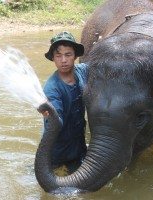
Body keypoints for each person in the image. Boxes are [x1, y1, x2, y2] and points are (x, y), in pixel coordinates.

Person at [39, 31, 88, 173]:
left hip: (78, 145)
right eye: (58, 55)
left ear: (76, 56)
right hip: (57, 150)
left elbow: (96, 68)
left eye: (68, 54)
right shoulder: (52, 88)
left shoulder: (81, 71)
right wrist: (50, 114)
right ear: (53, 58)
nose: (63, 60)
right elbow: (56, 123)